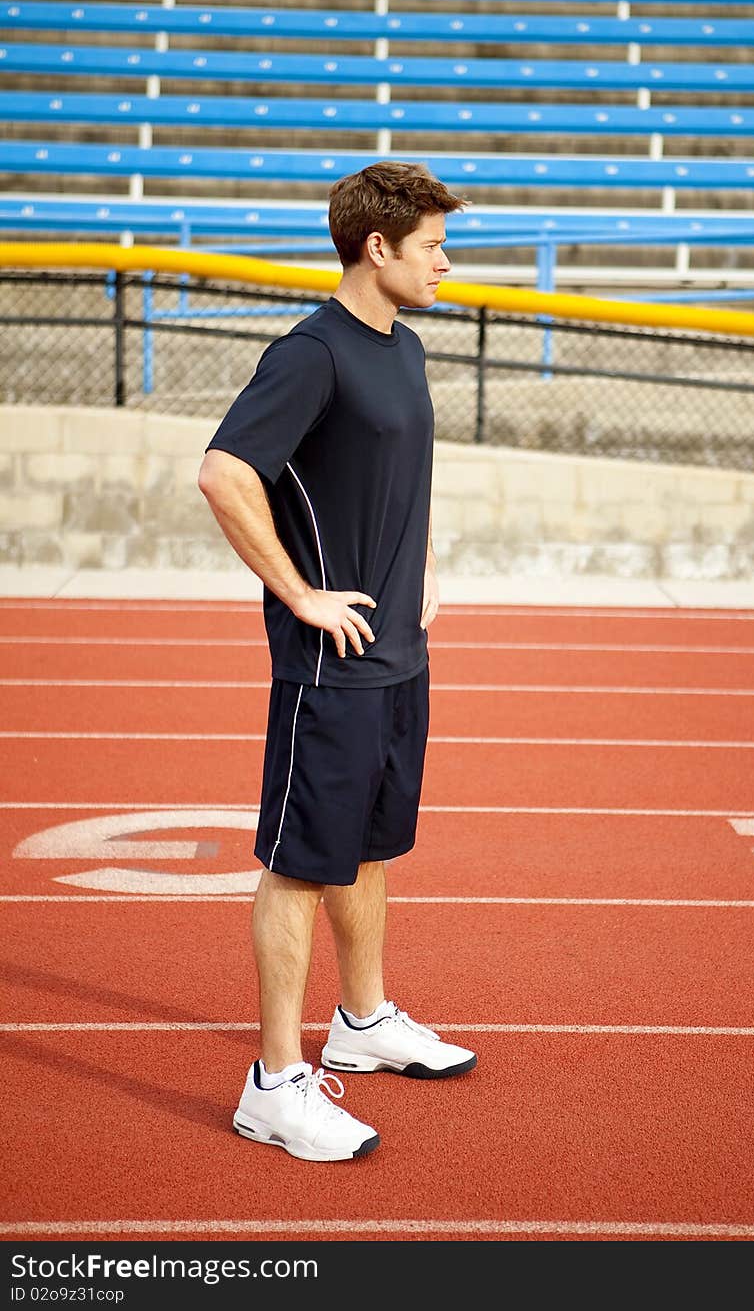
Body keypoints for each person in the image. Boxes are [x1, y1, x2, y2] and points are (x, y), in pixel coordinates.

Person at [197, 160, 476, 1163]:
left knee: (367, 844)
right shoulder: (310, 354)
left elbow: (405, 472)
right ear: (378, 247)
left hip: (399, 655)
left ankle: (360, 1023)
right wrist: (298, 592)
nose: (448, 261)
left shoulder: (402, 346)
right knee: (302, 863)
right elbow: (225, 472)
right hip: (329, 664)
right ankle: (273, 1083)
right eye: (435, 245)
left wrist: (427, 563)